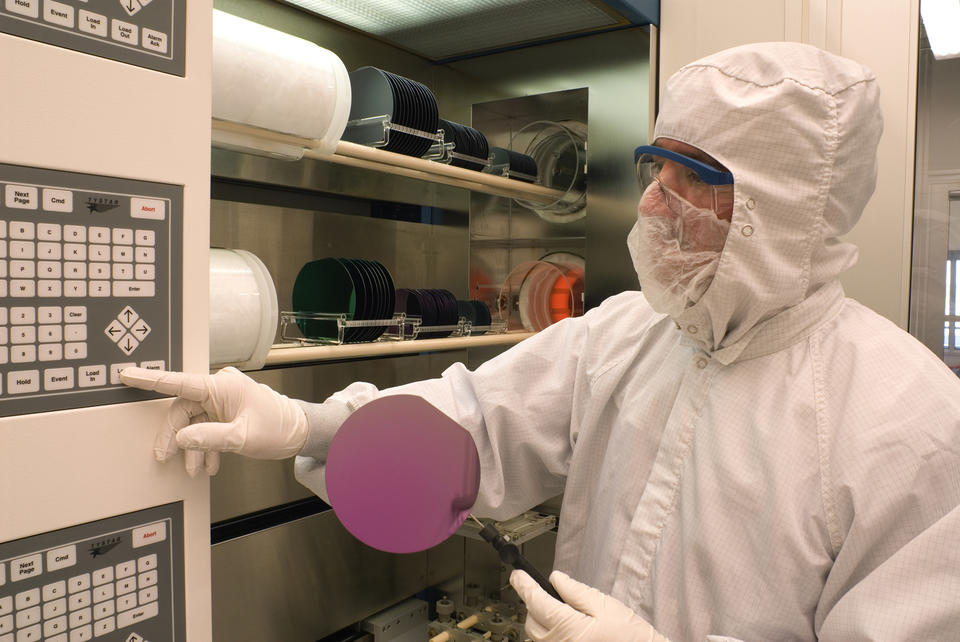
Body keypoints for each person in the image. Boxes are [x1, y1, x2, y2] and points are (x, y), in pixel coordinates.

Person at [122, 42, 960, 640]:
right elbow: (472, 427)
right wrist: (309, 425)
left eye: (694, 180)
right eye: (653, 171)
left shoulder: (909, 426)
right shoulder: (630, 332)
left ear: (786, 213)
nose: (656, 207)